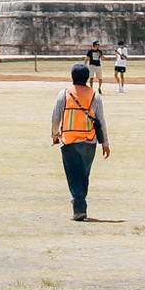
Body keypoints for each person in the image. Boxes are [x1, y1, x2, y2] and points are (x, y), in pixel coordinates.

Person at [50, 63, 110, 221]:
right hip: (89, 141)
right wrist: (105, 143)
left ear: (72, 77)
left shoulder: (64, 93)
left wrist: (54, 135)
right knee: (84, 175)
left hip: (69, 141)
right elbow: (101, 121)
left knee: (73, 175)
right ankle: (80, 202)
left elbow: (56, 117)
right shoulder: (95, 95)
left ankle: (79, 206)